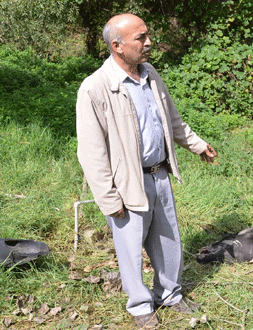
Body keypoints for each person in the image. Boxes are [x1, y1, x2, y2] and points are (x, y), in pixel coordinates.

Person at [76, 13, 218, 328]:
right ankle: (141, 307)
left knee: (168, 239)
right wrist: (109, 199)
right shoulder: (96, 88)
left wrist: (196, 144)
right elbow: (91, 153)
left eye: (147, 35)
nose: (149, 42)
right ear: (117, 46)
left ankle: (170, 294)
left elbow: (171, 118)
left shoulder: (150, 74)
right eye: (141, 38)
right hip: (127, 181)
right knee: (130, 247)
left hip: (160, 174)